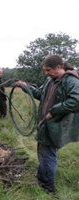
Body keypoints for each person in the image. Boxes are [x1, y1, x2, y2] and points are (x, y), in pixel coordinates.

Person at [16, 55, 79, 193]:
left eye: (48, 70)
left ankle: (47, 188)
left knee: (47, 154)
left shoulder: (71, 80)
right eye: (45, 70)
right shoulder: (51, 80)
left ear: (59, 67)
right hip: (46, 124)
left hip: (56, 125)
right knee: (45, 153)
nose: (46, 73)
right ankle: (42, 179)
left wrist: (54, 111)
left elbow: (76, 101)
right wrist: (26, 87)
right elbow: (40, 94)